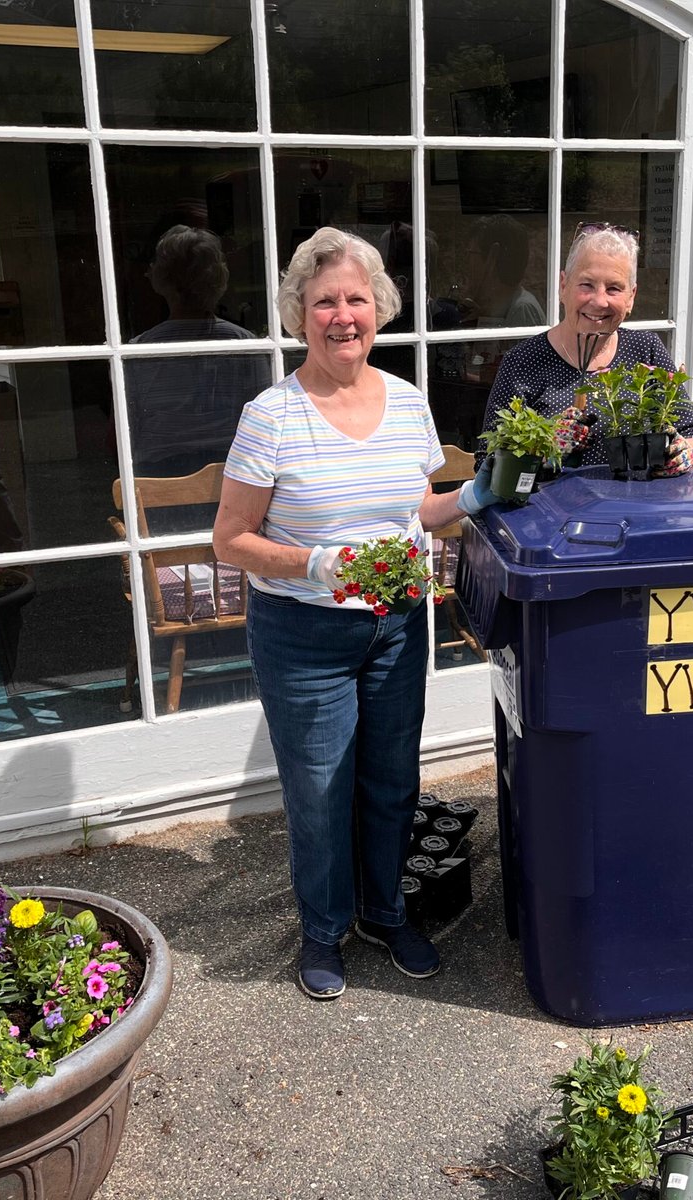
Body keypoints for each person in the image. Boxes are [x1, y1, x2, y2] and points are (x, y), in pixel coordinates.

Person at [212, 227, 502, 1000]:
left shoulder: (407, 403)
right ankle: (324, 928)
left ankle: (384, 910)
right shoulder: (271, 414)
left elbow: (420, 506)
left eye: (357, 299)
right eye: (324, 302)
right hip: (304, 631)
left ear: (380, 308)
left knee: (389, 780)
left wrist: (473, 496)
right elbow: (230, 540)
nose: (343, 315)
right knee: (318, 789)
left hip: (398, 622)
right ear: (298, 315)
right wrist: (314, 563)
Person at [479, 223, 693, 474]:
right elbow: (486, 461)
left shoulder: (646, 350)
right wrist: (545, 449)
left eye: (614, 288)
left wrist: (685, 453)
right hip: (551, 510)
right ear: (563, 285)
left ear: (631, 297)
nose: (599, 301)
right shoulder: (523, 362)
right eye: (586, 285)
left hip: (639, 506)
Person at [125, 225, 268, 479]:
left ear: (160, 279)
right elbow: (266, 425)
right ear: (219, 279)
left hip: (158, 478)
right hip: (237, 471)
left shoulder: (138, 350)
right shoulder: (244, 344)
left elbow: (124, 433)